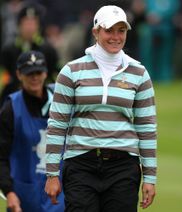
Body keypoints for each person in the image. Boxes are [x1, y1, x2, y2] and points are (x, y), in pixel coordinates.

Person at [44, 5, 157, 212]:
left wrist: (150, 177)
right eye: (109, 30)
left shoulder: (139, 72)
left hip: (123, 167)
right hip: (80, 164)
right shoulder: (71, 71)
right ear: (96, 32)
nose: (116, 37)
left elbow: (147, 127)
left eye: (121, 30)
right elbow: (57, 124)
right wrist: (52, 173)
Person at [0, 50, 64, 212]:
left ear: (45, 73)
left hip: (61, 196)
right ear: (19, 75)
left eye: (38, 72)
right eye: (29, 73)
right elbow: (1, 156)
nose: (34, 77)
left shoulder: (62, 100)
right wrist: (9, 192)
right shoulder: (11, 108)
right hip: (24, 198)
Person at [0, 2, 59, 107]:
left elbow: (56, 76)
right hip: (13, 102)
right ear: (19, 25)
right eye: (26, 23)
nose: (30, 27)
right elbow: (2, 78)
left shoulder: (48, 49)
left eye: (33, 23)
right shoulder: (9, 49)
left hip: (43, 102)